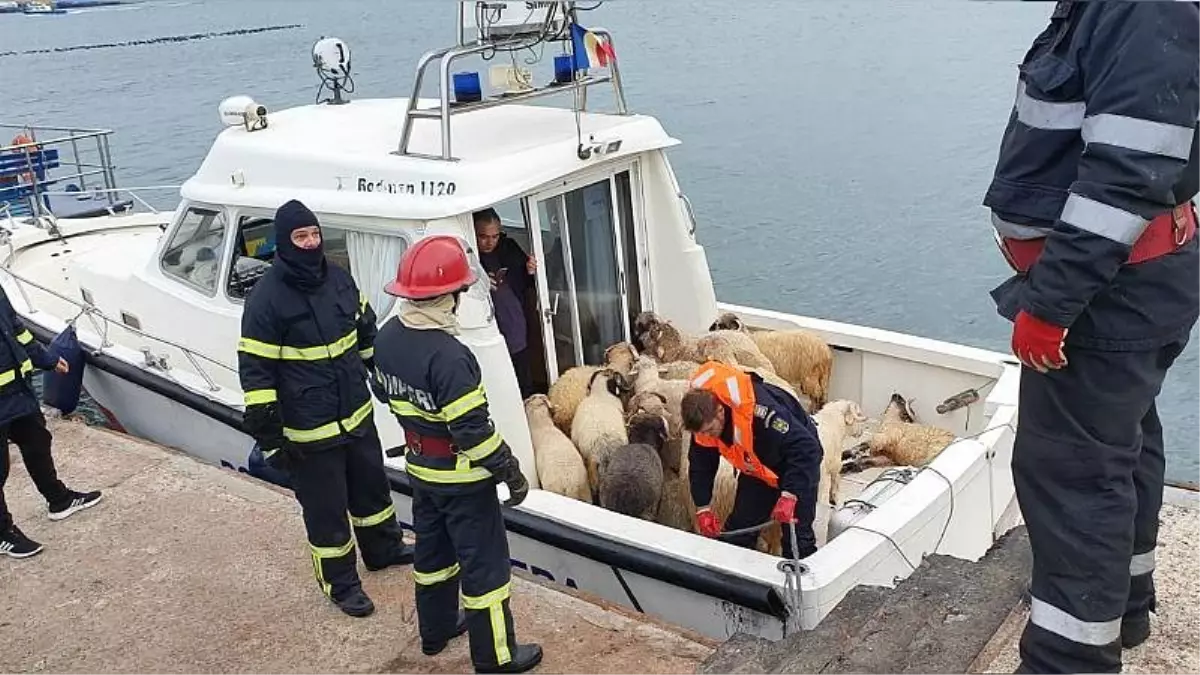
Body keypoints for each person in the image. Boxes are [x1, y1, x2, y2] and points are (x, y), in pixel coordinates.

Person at [982, 3, 1200, 672]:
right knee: (1121, 448)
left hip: (1107, 297)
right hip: (1132, 287)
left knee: (1073, 477)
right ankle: (1125, 610)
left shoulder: (1143, 8)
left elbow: (1125, 174)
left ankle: (1067, 659)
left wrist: (1050, 305)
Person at [372, 234, 542, 673]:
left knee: (432, 555)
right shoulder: (450, 355)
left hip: (420, 471)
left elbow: (389, 396)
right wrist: (508, 469)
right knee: (484, 568)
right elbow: (472, 432)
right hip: (464, 481)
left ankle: (437, 629)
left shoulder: (387, 337)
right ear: (447, 296)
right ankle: (496, 657)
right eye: (461, 291)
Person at [236, 199, 414, 618]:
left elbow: (365, 331)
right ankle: (340, 583)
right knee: (327, 512)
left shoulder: (339, 279)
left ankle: (383, 548)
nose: (311, 243)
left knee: (373, 491)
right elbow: (256, 373)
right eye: (301, 237)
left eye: (315, 234)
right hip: (309, 432)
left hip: (356, 415)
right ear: (284, 243)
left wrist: (381, 376)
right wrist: (270, 437)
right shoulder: (265, 300)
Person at [680, 360, 823, 559]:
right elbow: (700, 465)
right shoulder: (704, 424)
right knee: (739, 531)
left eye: (711, 430)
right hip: (758, 469)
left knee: (797, 540)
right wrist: (703, 507)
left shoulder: (763, 413)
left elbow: (807, 449)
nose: (709, 436)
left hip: (795, 464)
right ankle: (730, 582)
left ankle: (801, 580)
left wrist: (790, 494)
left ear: (720, 411)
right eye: (704, 433)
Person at [0, 291, 102, 559]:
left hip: (17, 392)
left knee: (37, 442)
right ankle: (2, 532)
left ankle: (59, 500)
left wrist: (46, 359)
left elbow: (16, 330)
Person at [473, 208, 538, 399]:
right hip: (489, 332)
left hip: (516, 327)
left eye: (495, 236)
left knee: (524, 383)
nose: (489, 242)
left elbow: (527, 284)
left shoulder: (509, 248)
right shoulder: (469, 259)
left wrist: (530, 270)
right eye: (483, 236)